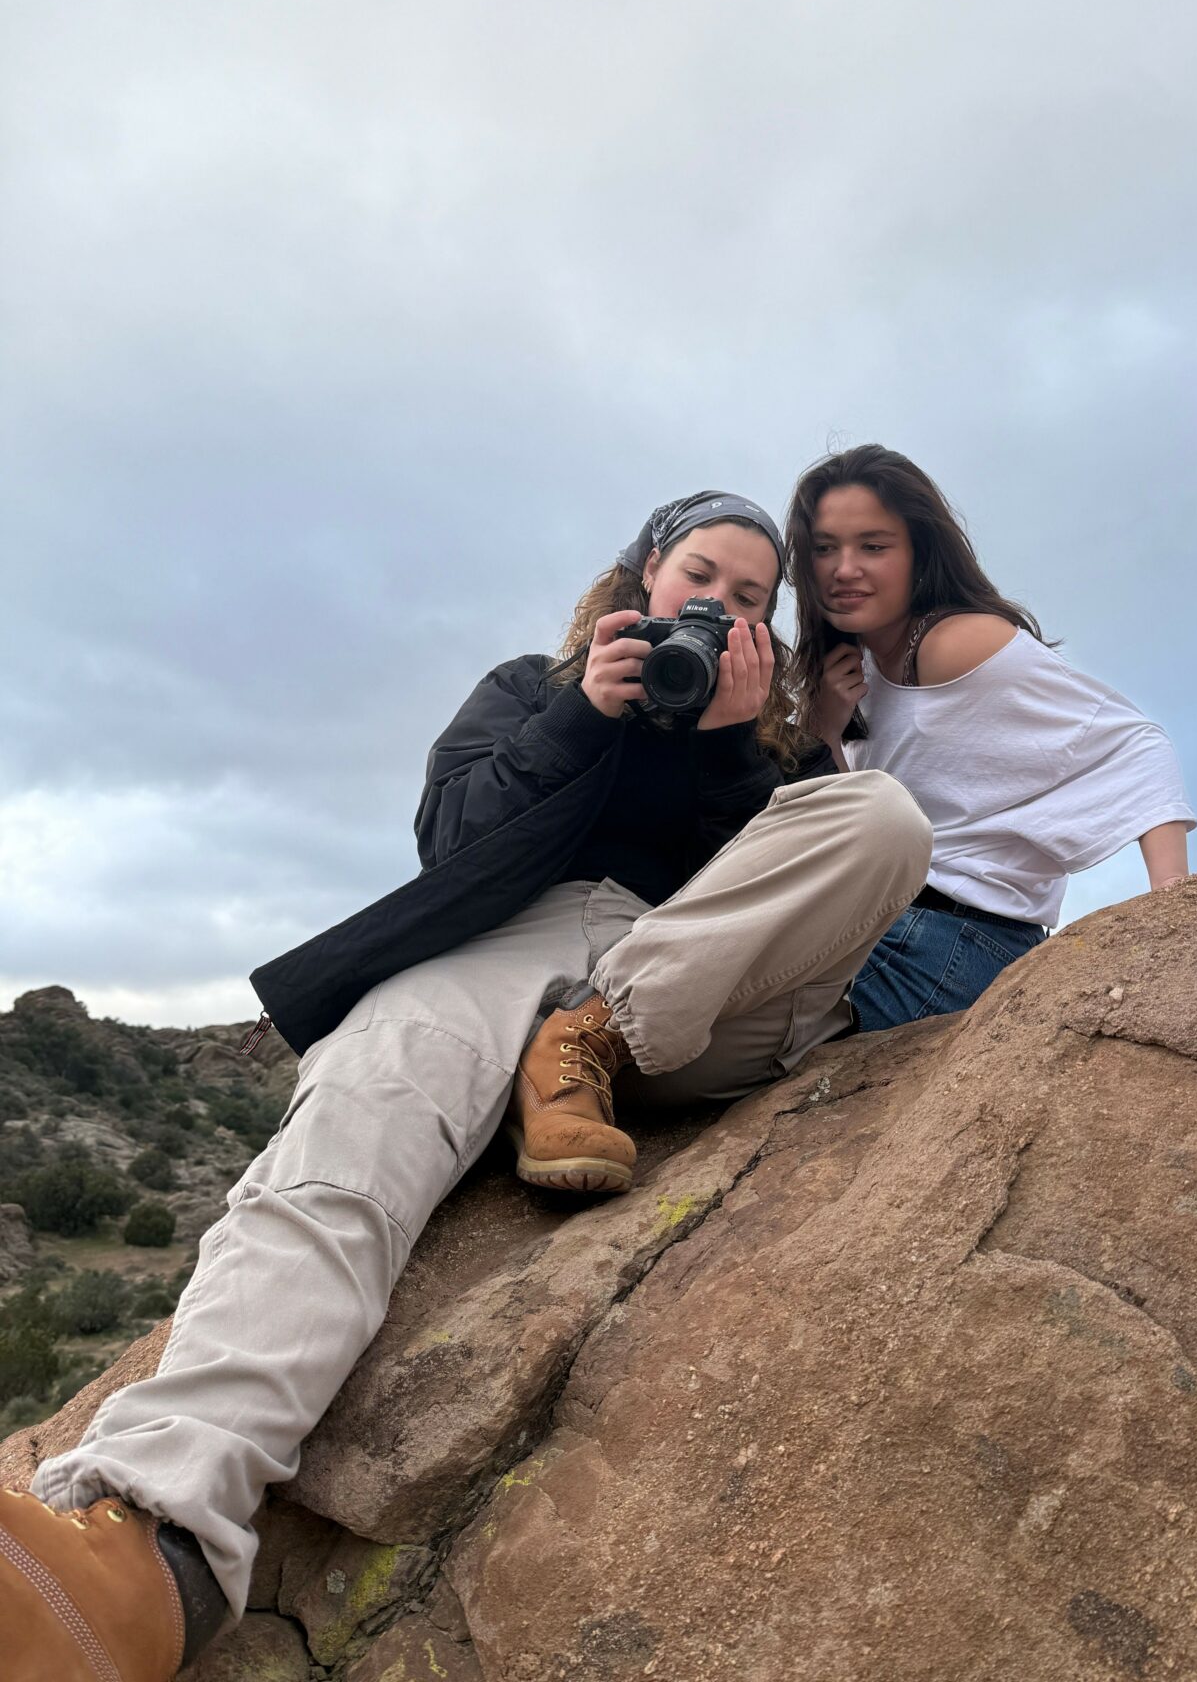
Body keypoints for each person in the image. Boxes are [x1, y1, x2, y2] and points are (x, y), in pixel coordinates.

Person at [2, 490, 931, 1682]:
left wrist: (727, 746)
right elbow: (449, 841)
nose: (718, 606)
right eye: (701, 575)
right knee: (348, 1137)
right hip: (504, 942)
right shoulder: (529, 687)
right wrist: (583, 716)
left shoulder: (765, 739)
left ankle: (587, 1043)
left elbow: (784, 887)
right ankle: (148, 1552)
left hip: (688, 988)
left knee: (882, 814)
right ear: (647, 569)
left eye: (752, 597)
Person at [787, 446, 1196, 1031]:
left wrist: (1174, 900)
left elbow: (1134, 743)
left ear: (919, 555)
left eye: (873, 546)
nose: (844, 569)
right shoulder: (855, 670)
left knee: (735, 1002)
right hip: (890, 926)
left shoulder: (954, 644)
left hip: (958, 943)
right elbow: (841, 825)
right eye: (825, 548)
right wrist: (827, 727)